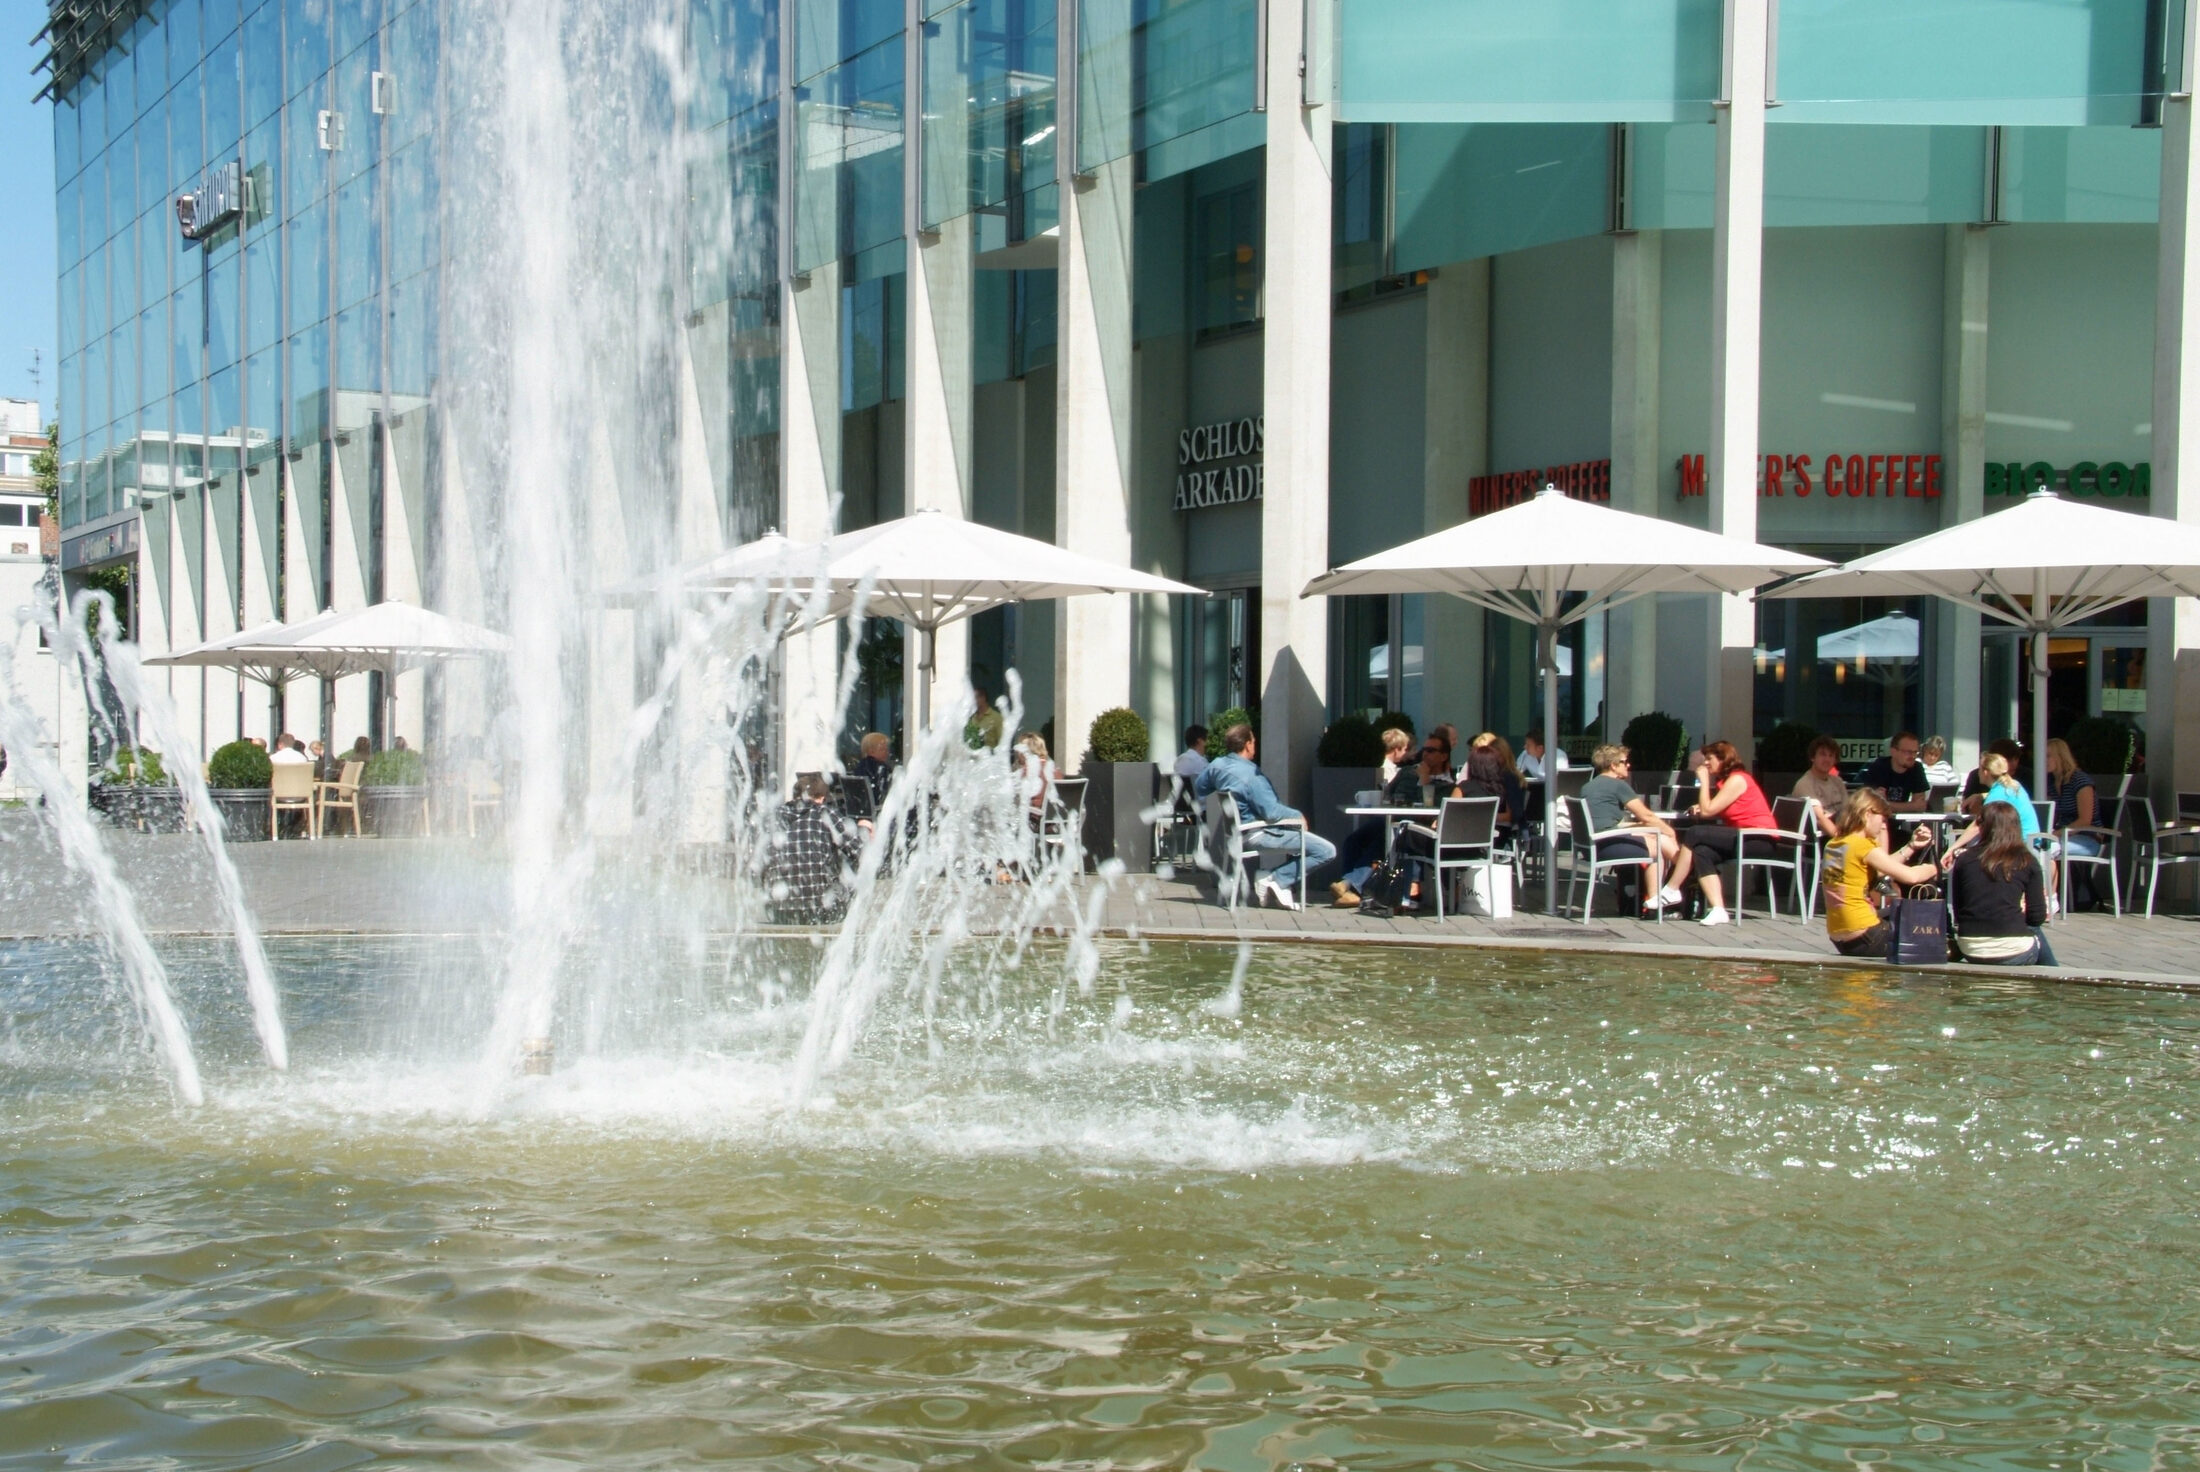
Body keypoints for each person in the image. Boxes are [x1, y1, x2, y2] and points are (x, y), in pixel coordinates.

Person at [1196, 724, 1336, 910]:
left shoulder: (1217, 765)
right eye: (1254, 741)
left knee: (1302, 843)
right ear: (1247, 745)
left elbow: (1200, 787)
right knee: (1326, 851)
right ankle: (1277, 879)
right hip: (1258, 834)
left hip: (1237, 834)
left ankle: (1275, 879)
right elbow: (1271, 812)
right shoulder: (1252, 776)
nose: (1255, 745)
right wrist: (1298, 816)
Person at [1819, 790, 1939, 957]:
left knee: (1896, 912)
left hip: (1842, 939)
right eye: (1882, 819)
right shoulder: (1862, 845)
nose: (1883, 826)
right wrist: (1934, 868)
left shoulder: (1835, 844)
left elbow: (1882, 869)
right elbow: (1911, 877)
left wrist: (1911, 846)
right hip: (1867, 935)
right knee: (1925, 930)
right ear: (1868, 813)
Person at [1578, 743, 1691, 916]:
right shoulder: (1617, 785)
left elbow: (1604, 823)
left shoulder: (1588, 786)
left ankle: (1675, 882)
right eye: (1624, 762)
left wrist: (1643, 827)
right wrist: (1670, 831)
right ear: (1613, 766)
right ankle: (1665, 894)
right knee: (1657, 843)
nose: (1628, 765)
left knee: (1656, 835)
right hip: (1606, 845)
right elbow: (1646, 815)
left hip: (1592, 844)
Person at [1677, 739, 1781, 926]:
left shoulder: (1738, 779)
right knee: (1702, 851)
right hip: (1742, 836)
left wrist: (1703, 782)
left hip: (1759, 839)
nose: (1706, 763)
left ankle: (1672, 888)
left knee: (1694, 833)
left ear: (1723, 759)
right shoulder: (1725, 783)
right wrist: (1701, 806)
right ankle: (1718, 909)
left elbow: (1708, 811)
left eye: (1710, 759)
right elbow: (1713, 807)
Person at [1945, 800, 2059, 966]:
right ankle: (2055, 979)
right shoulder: (2027, 861)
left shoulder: (1964, 859)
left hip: (1971, 947)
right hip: (2013, 949)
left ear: (1983, 827)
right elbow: (2037, 918)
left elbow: (1959, 910)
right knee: (2034, 932)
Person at [765, 773, 870, 923]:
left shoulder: (776, 817)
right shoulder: (824, 813)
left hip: (781, 910)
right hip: (821, 909)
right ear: (821, 799)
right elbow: (860, 851)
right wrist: (863, 830)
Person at [1857, 732, 1930, 814]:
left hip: (1904, 822)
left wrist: (1887, 804)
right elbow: (1871, 805)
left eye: (1915, 752)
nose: (1912, 756)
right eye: (1908, 752)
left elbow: (1920, 806)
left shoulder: (1917, 768)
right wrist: (1911, 806)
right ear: (1893, 751)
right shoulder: (1878, 767)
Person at [1791, 735, 1847, 838]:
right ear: (1813, 757)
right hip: (1822, 838)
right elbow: (1820, 819)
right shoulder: (1804, 784)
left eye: (1831, 756)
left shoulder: (1837, 781)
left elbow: (1848, 810)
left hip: (1843, 829)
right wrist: (1844, 841)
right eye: (1823, 755)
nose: (1827, 759)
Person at [854, 731, 896, 799]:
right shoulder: (881, 768)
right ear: (871, 752)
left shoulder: (860, 766)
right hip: (878, 806)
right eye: (882, 749)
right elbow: (885, 792)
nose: (887, 753)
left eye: (887, 750)